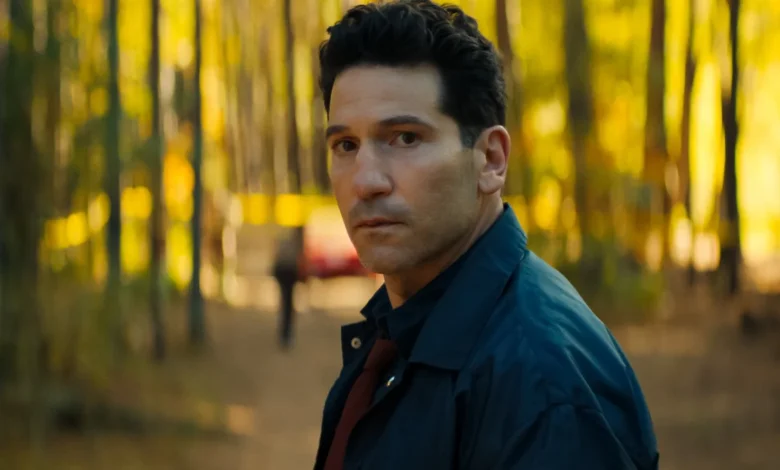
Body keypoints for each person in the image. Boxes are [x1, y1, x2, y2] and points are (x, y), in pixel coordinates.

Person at [313, 1, 659, 469]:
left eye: (405, 138)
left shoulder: (543, 385)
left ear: (491, 160)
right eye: (346, 145)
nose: (366, 181)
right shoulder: (401, 329)